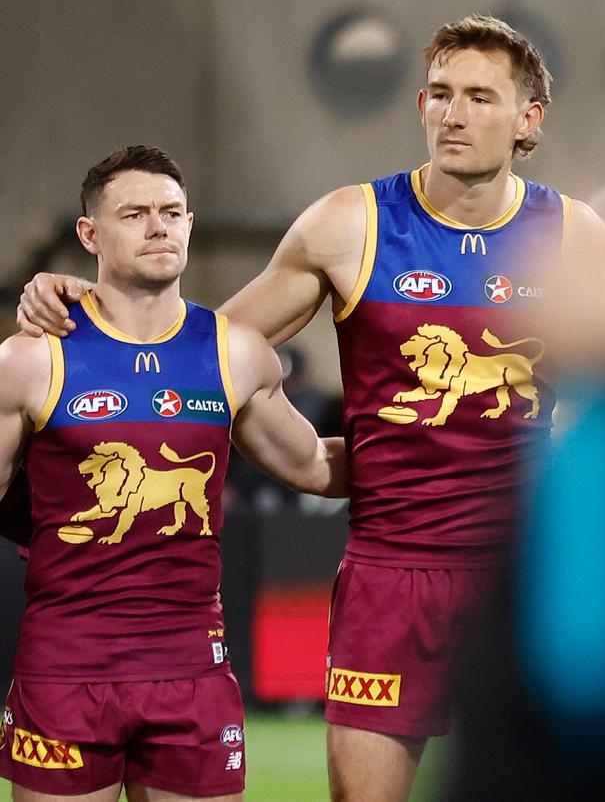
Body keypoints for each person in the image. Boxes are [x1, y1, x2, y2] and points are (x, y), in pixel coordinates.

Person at [16, 15, 605, 802]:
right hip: (389, 574)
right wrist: (89, 301)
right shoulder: (351, 225)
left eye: (478, 96)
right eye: (438, 93)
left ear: (528, 118)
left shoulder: (574, 237)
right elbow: (203, 355)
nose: (452, 114)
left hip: (521, 572)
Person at [0, 145, 347, 802]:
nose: (160, 226)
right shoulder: (29, 359)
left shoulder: (235, 352)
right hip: (66, 668)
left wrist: (449, 447)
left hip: (191, 668)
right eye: (135, 213)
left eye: (172, 212)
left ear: (191, 224)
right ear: (90, 234)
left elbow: (313, 463)